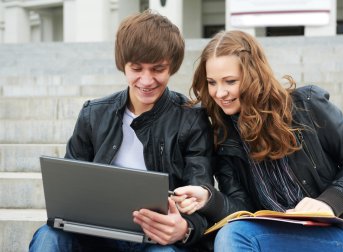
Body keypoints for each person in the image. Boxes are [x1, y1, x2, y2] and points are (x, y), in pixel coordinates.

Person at [172, 30, 343, 251]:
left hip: (340, 232)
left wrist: (328, 202)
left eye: (230, 81)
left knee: (235, 237)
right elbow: (243, 209)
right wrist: (208, 199)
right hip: (275, 235)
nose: (219, 92)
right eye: (212, 82)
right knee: (232, 233)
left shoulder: (307, 106)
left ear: (254, 76)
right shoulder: (225, 140)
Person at [29, 10, 214, 252]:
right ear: (122, 65)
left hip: (157, 240)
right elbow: (68, 192)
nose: (146, 81)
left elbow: (200, 195)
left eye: (158, 69)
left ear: (172, 67)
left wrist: (185, 228)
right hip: (97, 236)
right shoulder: (93, 115)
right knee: (48, 237)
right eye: (136, 68)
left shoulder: (191, 119)